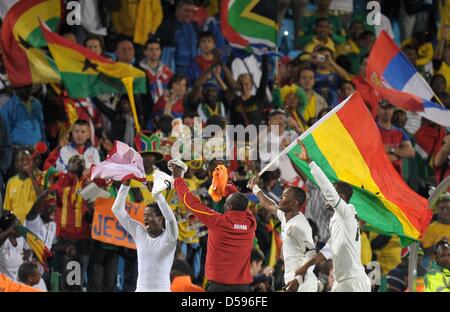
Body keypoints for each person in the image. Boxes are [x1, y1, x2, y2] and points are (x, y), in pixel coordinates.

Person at [293, 140, 371, 292]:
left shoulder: (347, 212)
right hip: (343, 282)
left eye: (331, 194)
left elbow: (328, 190)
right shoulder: (338, 220)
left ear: (340, 196)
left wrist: (310, 162)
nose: (324, 196)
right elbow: (326, 251)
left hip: (352, 282)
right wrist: (305, 266)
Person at [171, 159, 256, 292]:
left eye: (226, 204)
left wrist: (177, 179)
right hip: (243, 288)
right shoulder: (251, 222)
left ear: (229, 207)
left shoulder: (217, 221)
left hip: (218, 286)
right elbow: (241, 202)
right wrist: (224, 184)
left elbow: (191, 203)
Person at [248, 176, 318, 292]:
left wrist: (298, 280)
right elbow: (269, 205)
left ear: (295, 203)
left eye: (285, 196)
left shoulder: (298, 226)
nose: (280, 197)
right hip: (294, 282)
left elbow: (311, 255)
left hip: (302, 285)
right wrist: (255, 188)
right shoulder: (286, 216)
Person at [111, 179, 178, 292]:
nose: (145, 218)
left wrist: (157, 195)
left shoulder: (169, 238)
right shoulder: (139, 232)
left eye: (150, 215)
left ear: (160, 219)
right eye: (144, 215)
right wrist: (125, 184)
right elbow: (117, 210)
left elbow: (171, 220)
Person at [3, 149, 43, 223]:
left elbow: (42, 196)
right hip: (17, 226)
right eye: (21, 160)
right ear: (16, 164)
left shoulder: (41, 177)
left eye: (28, 160)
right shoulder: (11, 182)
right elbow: (8, 208)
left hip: (36, 224)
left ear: (33, 162)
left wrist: (31, 173)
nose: (25, 163)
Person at [377, 101, 415, 177]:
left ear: (393, 110)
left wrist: (391, 150)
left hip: (396, 176)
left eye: (389, 108)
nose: (387, 111)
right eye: (384, 108)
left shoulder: (399, 132)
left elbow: (411, 152)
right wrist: (398, 155)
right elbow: (373, 155)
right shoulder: (372, 129)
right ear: (378, 110)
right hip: (378, 175)